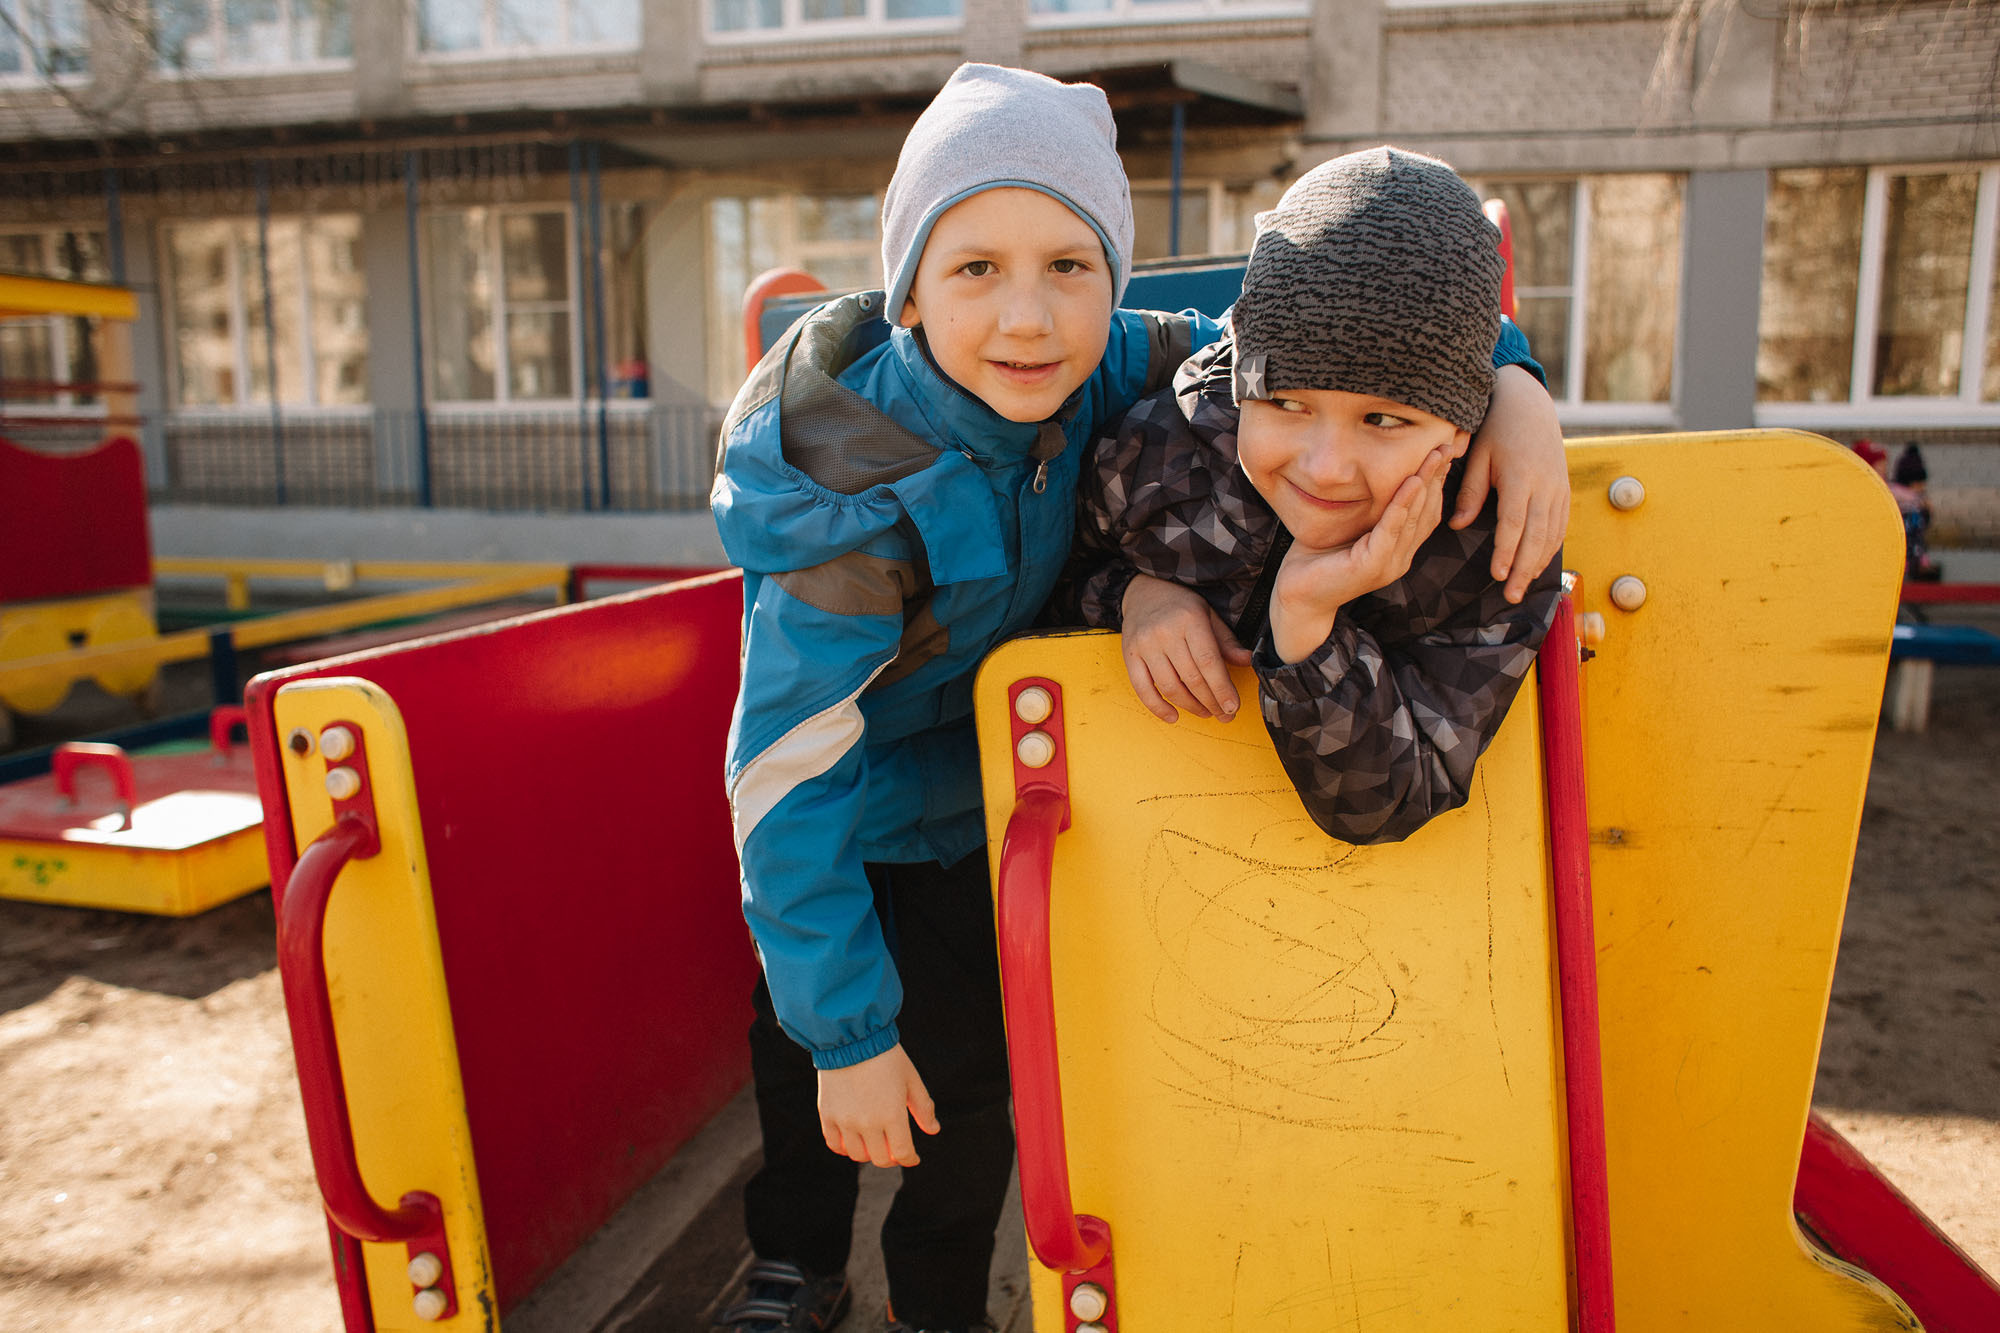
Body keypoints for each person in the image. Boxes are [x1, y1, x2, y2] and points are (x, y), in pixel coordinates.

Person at [710, 67, 1569, 1332]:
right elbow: (784, 774)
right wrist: (845, 1035)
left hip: (997, 805)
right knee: (810, 1072)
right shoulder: (849, 501)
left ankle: (937, 1299)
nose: (1028, 316)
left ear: (1113, 278)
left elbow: (1324, 308)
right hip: (847, 817)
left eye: (1071, 264)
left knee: (971, 1091)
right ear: (906, 293)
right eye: (974, 270)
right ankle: (792, 1265)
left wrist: (1512, 380)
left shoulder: (1124, 359)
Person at [1065, 147, 1565, 843]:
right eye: (1287, 403)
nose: (1327, 468)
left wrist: (1306, 620)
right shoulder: (1159, 447)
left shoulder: (1491, 544)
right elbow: (1049, 572)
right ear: (1242, 382)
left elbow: (1395, 795)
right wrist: (1131, 596)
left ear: (1457, 429)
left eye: (1384, 419)